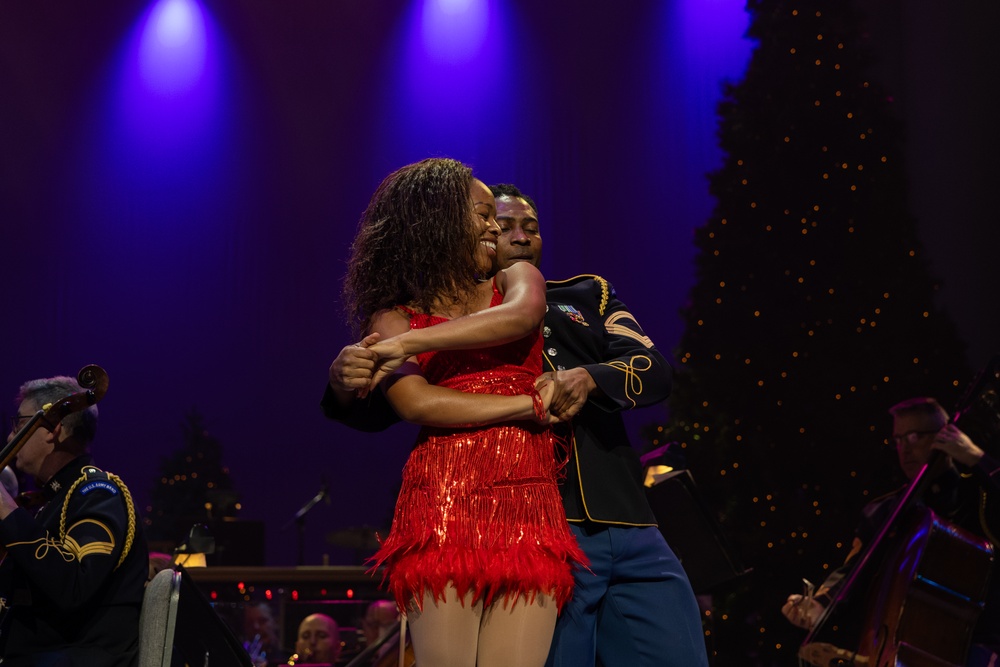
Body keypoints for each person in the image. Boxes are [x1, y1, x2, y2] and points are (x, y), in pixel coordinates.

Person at [325, 183, 709, 667]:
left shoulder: (586, 294)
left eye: (530, 226)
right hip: (520, 513)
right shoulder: (414, 312)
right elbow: (399, 401)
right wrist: (344, 379)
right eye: (498, 222)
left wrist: (587, 378)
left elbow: (653, 368)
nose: (516, 235)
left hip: (611, 514)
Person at [338, 158, 585, 667]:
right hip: (442, 501)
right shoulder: (390, 314)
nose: (496, 226)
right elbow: (417, 403)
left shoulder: (518, 278)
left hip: (527, 496)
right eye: (482, 215)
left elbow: (519, 319)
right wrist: (530, 404)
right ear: (437, 221)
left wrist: (404, 344)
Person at [781, 396, 1000, 665]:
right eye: (898, 439)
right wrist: (820, 605)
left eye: (915, 436)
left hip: (978, 646)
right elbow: (854, 569)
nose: (904, 449)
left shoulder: (978, 493)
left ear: (947, 437)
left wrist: (976, 458)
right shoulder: (885, 511)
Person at [0, 374, 149, 666]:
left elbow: (73, 586)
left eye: (19, 424)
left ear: (53, 428)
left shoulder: (98, 492)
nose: (9, 437)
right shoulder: (53, 502)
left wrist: (6, 509)